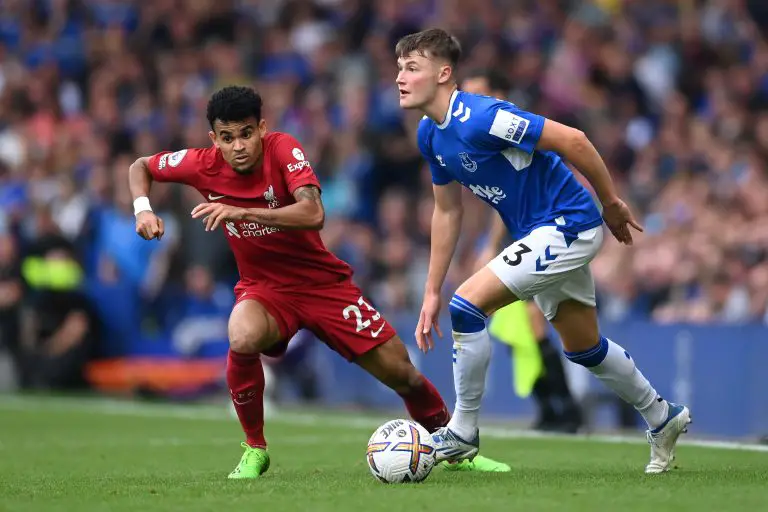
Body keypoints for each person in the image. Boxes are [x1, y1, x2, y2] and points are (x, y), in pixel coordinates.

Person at [128, 85, 509, 478]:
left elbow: (313, 213)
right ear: (214, 140)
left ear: (261, 128)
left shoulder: (283, 149)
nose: (238, 145)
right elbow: (140, 166)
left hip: (323, 286)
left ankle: (458, 452)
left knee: (403, 373)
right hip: (265, 290)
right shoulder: (199, 163)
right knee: (241, 334)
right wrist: (143, 210)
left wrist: (243, 213)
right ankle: (255, 448)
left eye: (246, 133)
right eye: (227, 138)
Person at [396, 28, 691, 474]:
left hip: (568, 223)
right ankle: (662, 416)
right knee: (583, 347)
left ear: (443, 73)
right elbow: (446, 211)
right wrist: (431, 289)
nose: (400, 77)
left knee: (468, 308)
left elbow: (574, 141)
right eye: (399, 67)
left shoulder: (481, 117)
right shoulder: (429, 135)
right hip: (538, 232)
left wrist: (610, 203)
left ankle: (462, 431)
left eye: (412, 68)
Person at [462, 69, 583, 433]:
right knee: (518, 325)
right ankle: (550, 407)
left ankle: (566, 410)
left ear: (498, 93)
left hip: (545, 228)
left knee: (536, 324)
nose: (473, 103)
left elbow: (522, 190)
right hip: (520, 232)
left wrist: (491, 246)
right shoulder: (479, 135)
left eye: (480, 94)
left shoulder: (512, 126)